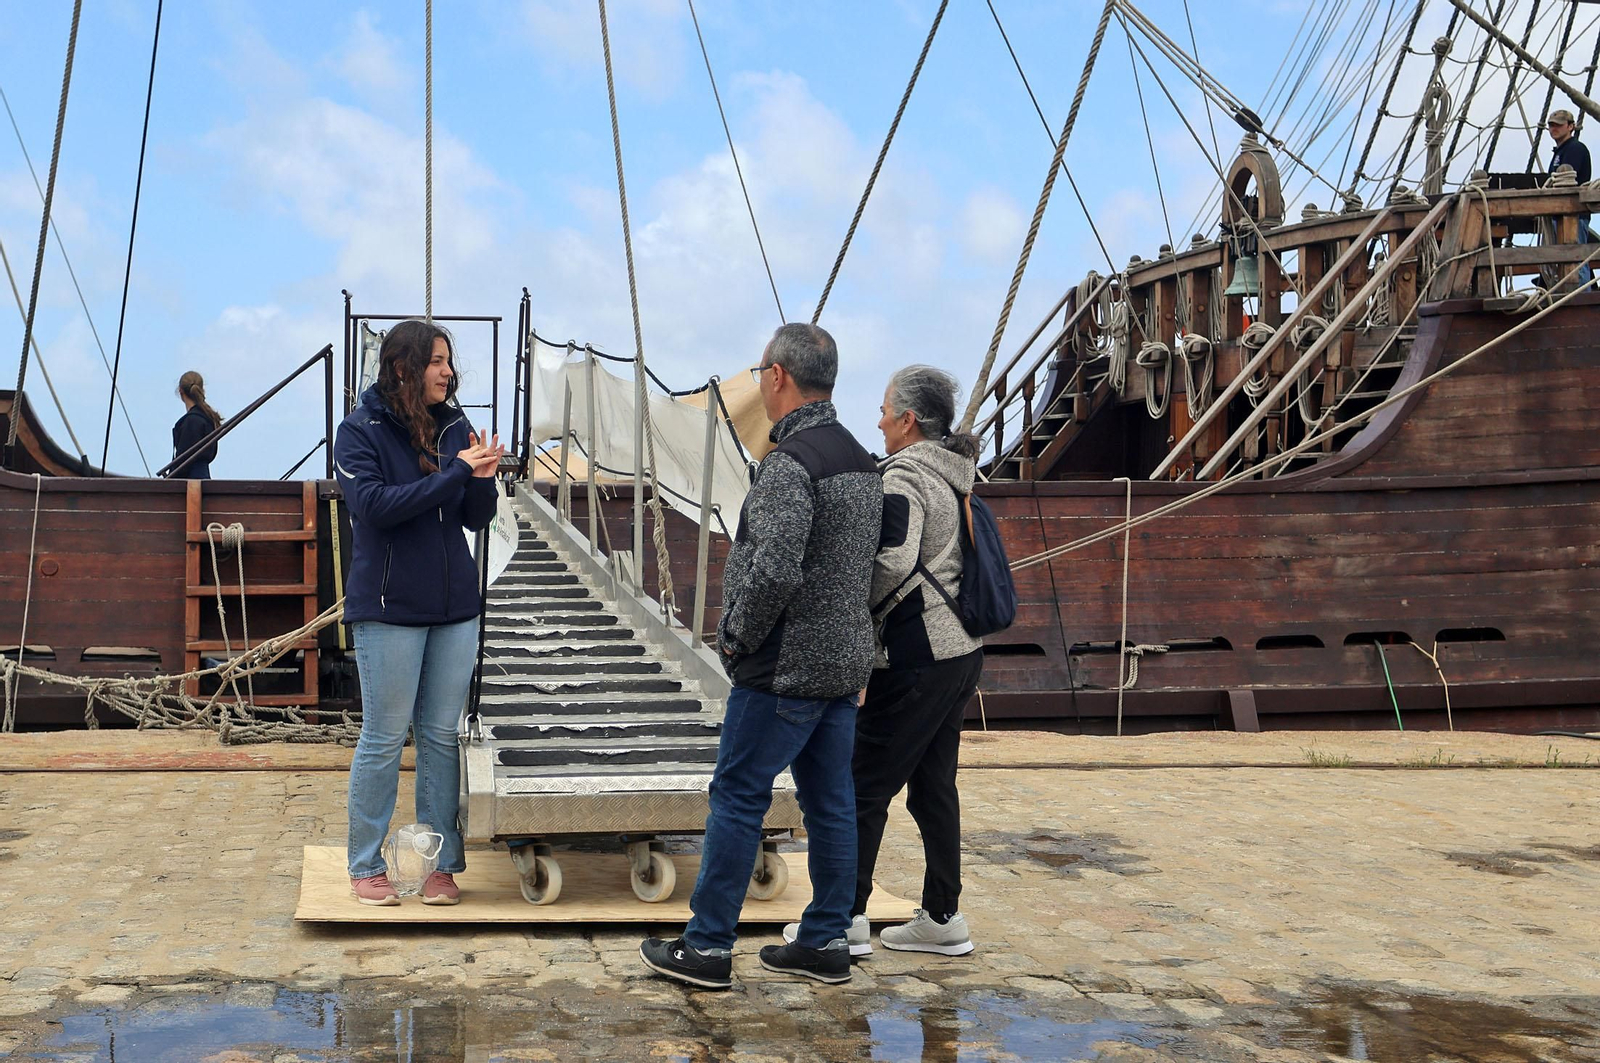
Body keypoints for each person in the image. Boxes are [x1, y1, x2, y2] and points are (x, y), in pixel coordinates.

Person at [640, 323, 882, 989]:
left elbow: (774, 569)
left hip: (782, 667)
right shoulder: (863, 461)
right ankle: (827, 939)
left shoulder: (790, 464)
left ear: (777, 377)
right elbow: (873, 566)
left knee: (738, 795)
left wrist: (737, 636)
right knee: (830, 800)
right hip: (842, 664)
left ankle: (709, 947)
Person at [784, 364, 985, 959]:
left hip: (916, 651)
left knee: (860, 784)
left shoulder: (904, 477)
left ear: (907, 420)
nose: (877, 421)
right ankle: (942, 915)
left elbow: (893, 560)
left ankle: (844, 917)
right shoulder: (955, 474)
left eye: (883, 411)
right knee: (932, 787)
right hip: (960, 651)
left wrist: (838, 601)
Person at [333, 319, 502, 907]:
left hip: (455, 607)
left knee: (438, 737)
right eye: (437, 361)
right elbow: (377, 508)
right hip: (388, 609)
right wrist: (457, 471)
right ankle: (365, 866)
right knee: (383, 737)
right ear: (403, 367)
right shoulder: (358, 432)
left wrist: (481, 479)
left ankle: (439, 867)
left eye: (449, 362)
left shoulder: (454, 425)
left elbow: (474, 517)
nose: (448, 372)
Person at [1547, 108, 1593, 284]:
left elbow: (1566, 181)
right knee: (1564, 260)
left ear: (1571, 126)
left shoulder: (1575, 149)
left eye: (1558, 125)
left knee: (1576, 261)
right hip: (1560, 215)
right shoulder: (1560, 152)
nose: (1554, 129)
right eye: (1551, 125)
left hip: (1573, 215)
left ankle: (1579, 298)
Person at [171, 371, 222, 479]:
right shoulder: (208, 418)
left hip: (190, 482)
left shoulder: (191, 422)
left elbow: (183, 461)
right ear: (202, 390)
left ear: (180, 391)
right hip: (203, 477)